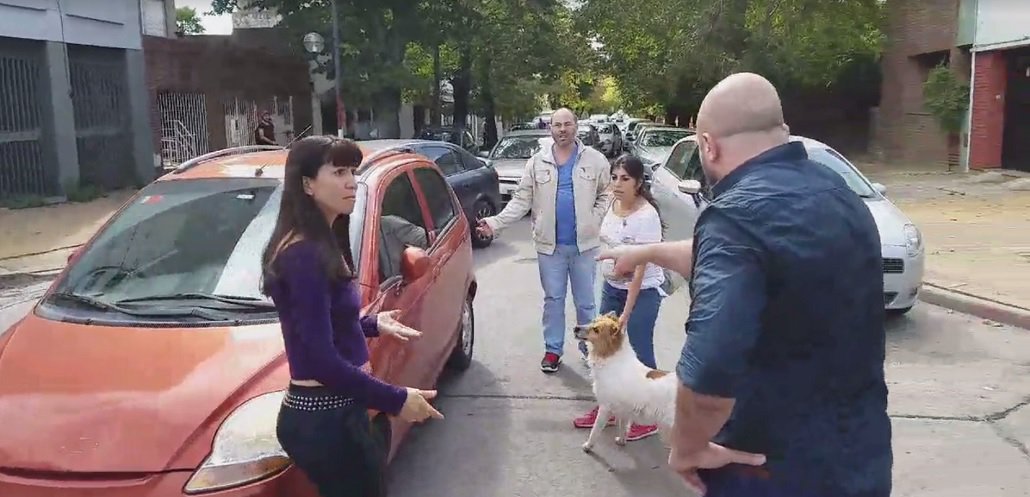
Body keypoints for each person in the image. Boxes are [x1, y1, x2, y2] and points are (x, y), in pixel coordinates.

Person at [598, 72, 891, 497]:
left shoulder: (734, 216)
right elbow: (742, 258)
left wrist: (687, 447)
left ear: (708, 145)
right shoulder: (842, 195)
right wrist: (646, 253)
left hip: (767, 467)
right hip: (861, 458)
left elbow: (710, 370)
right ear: (783, 132)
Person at [261, 136, 443, 497]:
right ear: (307, 184)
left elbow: (317, 324)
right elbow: (319, 359)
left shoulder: (322, 240)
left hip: (338, 413)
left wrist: (371, 324)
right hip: (325, 419)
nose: (351, 182)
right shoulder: (303, 254)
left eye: (353, 171)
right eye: (339, 171)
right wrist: (396, 398)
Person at [477, 108, 612, 373]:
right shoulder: (537, 162)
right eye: (557, 125)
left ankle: (591, 351)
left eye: (567, 124)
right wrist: (495, 223)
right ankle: (553, 350)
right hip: (550, 248)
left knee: (586, 302)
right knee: (553, 300)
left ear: (576, 127)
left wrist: (594, 219)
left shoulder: (595, 160)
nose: (562, 129)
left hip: (585, 246)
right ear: (550, 129)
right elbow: (521, 200)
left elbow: (606, 193)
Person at [573, 155, 667, 441]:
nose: (617, 183)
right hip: (612, 286)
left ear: (638, 183)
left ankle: (649, 416)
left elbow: (640, 267)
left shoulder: (647, 215)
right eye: (614, 177)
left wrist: (626, 313)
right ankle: (608, 406)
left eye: (625, 179)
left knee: (638, 353)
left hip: (642, 291)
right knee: (603, 351)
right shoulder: (612, 206)